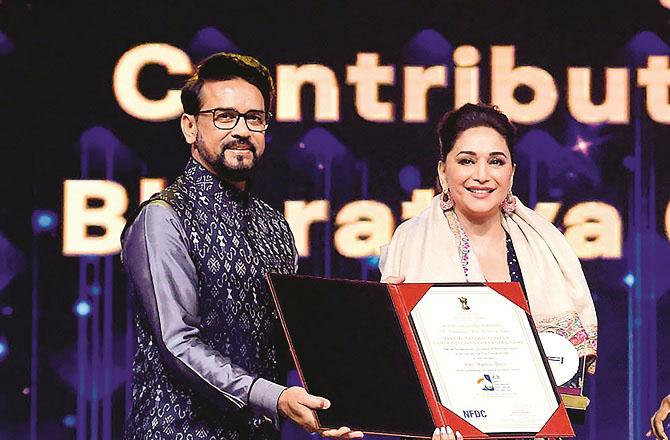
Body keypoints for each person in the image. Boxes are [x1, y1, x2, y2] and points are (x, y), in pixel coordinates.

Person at [121, 53, 361, 440]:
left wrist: (338, 402)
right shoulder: (163, 218)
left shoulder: (274, 224)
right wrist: (274, 397)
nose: (242, 130)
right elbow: (177, 343)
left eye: (255, 118)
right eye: (224, 116)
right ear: (189, 127)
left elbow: (286, 339)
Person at [380, 103, 598, 439]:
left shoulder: (545, 243)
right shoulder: (409, 242)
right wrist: (388, 314)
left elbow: (570, 369)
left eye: (496, 161)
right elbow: (392, 369)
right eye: (467, 161)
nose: (481, 175)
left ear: (511, 172)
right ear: (442, 172)